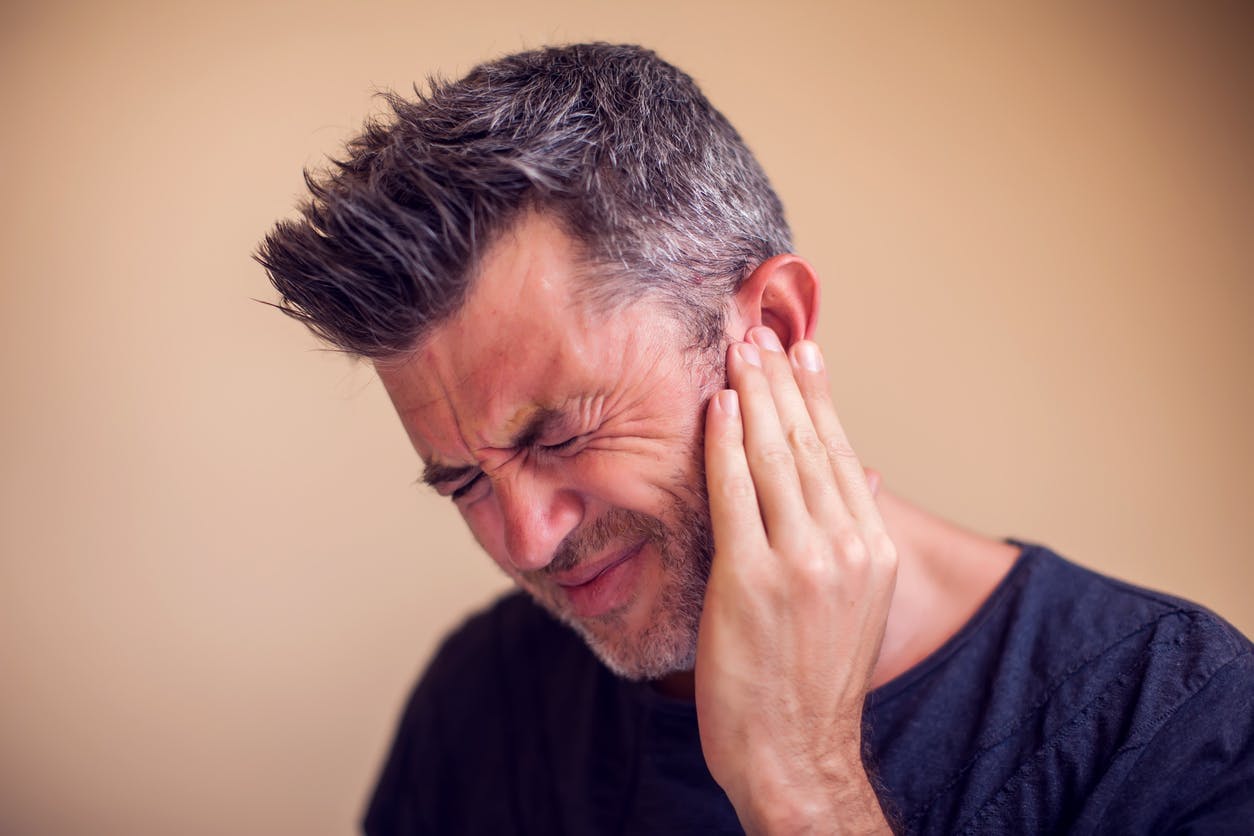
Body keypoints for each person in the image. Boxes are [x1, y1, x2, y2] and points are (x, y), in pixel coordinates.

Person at [257, 43, 1254, 834]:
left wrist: (804, 785)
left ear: (768, 327)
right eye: (464, 480)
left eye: (559, 433)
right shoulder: (481, 701)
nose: (523, 538)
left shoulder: (1172, 721)